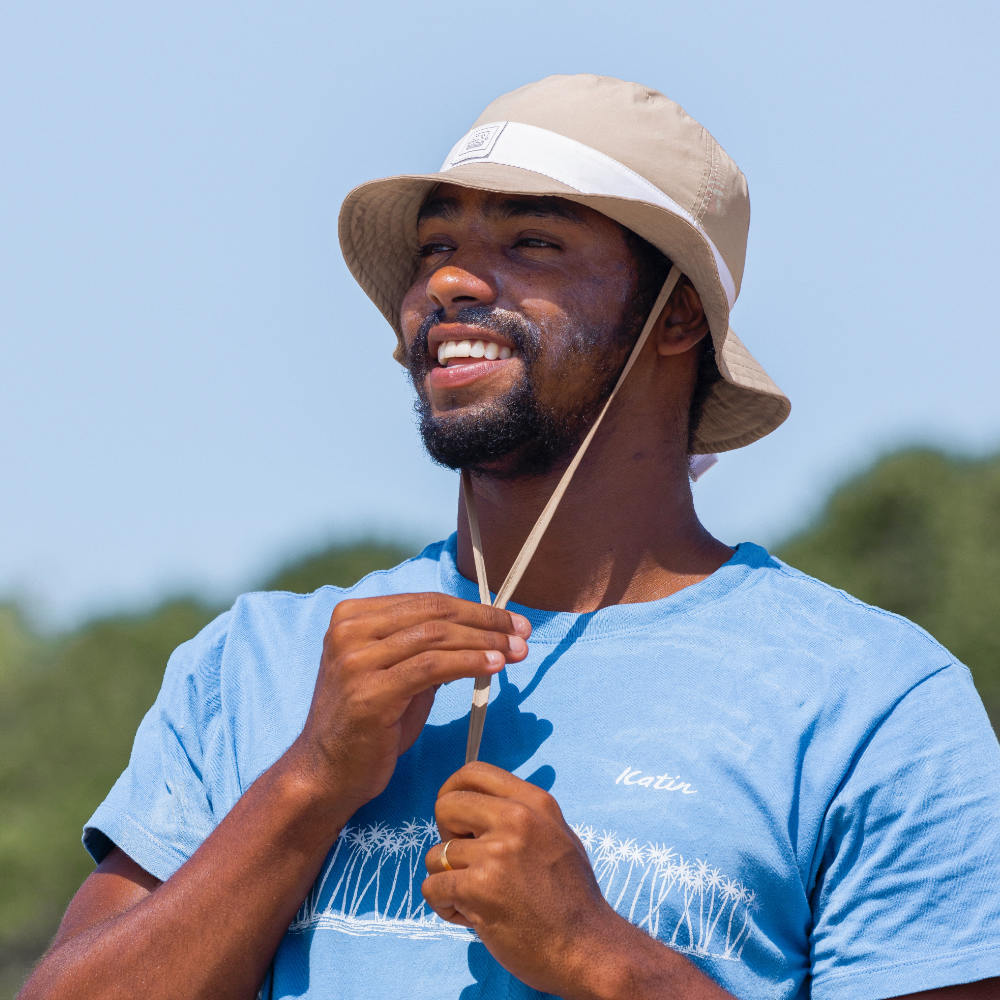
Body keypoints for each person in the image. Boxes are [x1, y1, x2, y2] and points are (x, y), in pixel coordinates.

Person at [19, 74, 1000, 1000]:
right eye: (432, 245)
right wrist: (309, 778)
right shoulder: (256, 663)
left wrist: (599, 955)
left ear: (677, 316)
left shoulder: (873, 703)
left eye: (531, 240)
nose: (444, 280)